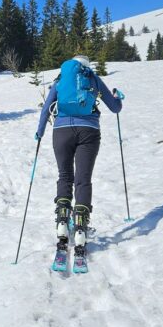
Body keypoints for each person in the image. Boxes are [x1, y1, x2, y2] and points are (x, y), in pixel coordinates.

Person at [35, 55, 124, 271]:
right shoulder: (92, 79)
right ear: (86, 66)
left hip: (61, 131)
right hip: (89, 131)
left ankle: (63, 224)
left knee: (65, 176)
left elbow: (47, 107)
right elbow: (114, 108)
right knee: (83, 180)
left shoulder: (60, 81)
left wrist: (39, 132)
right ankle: (81, 231)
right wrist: (117, 97)